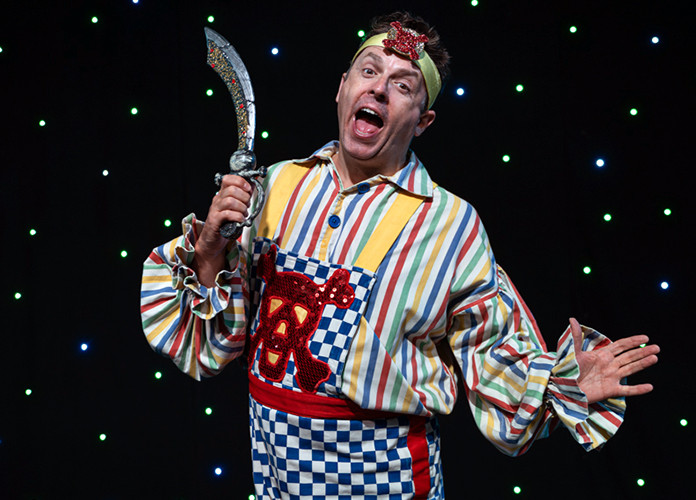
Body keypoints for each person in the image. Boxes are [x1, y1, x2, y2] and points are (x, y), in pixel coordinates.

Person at [141, 12, 659, 500]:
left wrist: (563, 383)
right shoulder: (276, 186)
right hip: (275, 477)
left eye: (403, 85)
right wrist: (210, 247)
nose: (380, 88)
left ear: (423, 121)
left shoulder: (450, 225)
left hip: (385, 483)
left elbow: (491, 351)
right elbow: (212, 342)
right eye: (369, 71)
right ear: (343, 86)